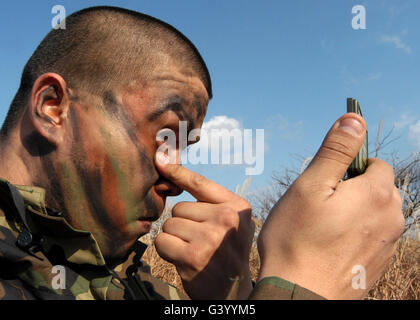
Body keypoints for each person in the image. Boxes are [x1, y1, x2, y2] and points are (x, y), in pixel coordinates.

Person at [0, 6, 404, 300]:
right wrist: (302, 284)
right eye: (163, 138)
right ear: (53, 107)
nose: (173, 181)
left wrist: (235, 297)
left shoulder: (145, 285)